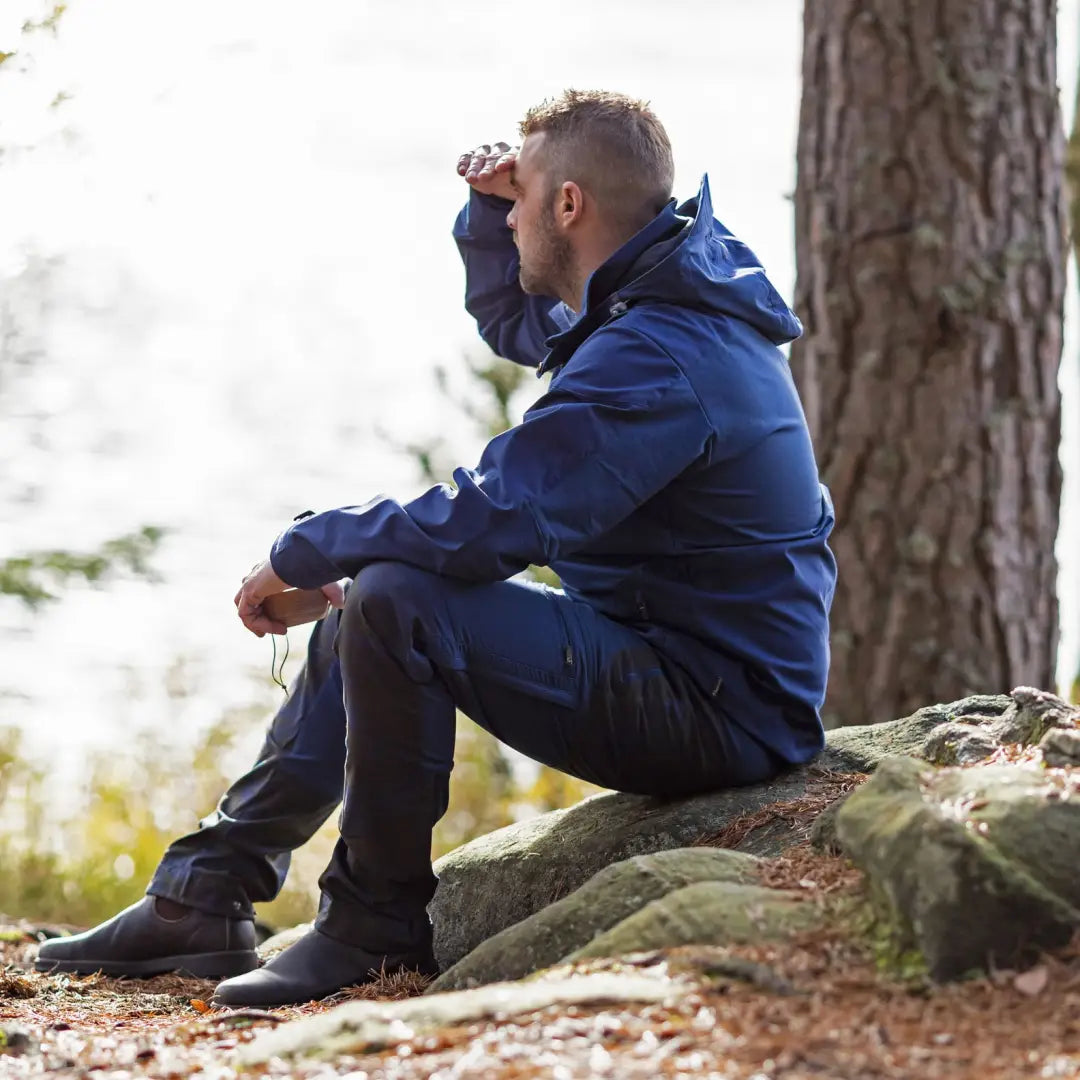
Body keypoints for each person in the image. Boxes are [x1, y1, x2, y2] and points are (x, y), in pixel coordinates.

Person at [35, 89, 836, 1007]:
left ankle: (374, 926)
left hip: (719, 707)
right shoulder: (657, 294)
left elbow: (491, 520)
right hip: (676, 658)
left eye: (524, 193)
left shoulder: (664, 353)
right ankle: (203, 897)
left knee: (394, 600)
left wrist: (305, 552)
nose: (511, 205)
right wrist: (491, 213)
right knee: (378, 591)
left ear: (569, 206)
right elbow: (522, 321)